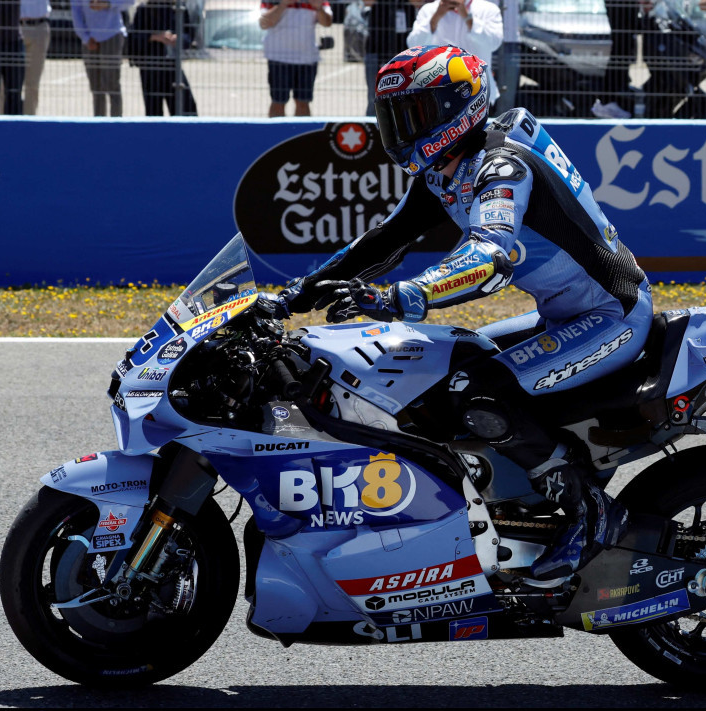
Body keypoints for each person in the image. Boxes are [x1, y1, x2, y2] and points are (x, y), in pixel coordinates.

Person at [270, 45, 652, 580]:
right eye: (393, 115)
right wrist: (290, 298)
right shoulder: (448, 168)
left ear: (458, 108)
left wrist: (403, 296)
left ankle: (592, 517)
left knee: (480, 390)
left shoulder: (501, 166)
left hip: (612, 316)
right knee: (451, 365)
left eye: (415, 112)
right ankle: (505, 507)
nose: (401, 128)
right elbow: (385, 240)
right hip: (562, 316)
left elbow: (489, 255)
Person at [406, 0, 503, 105]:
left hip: (479, 92)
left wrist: (468, 18)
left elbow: (494, 43)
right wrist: (435, 18)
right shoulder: (428, 10)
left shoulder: (488, 9)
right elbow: (413, 45)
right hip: (437, 93)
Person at [260, 0, 332, 117]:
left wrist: (319, 8)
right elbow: (264, 23)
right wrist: (283, 5)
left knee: (303, 102)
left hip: (307, 59)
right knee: (278, 102)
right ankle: (276, 129)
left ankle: (302, 129)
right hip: (279, 58)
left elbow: (327, 23)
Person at [128, 0, 199, 116]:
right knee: (153, 111)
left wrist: (178, 38)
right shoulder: (144, 9)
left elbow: (189, 36)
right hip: (150, 67)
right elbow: (133, 38)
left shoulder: (178, 8)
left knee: (186, 107)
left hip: (172, 65)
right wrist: (155, 37)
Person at [73, 0, 133, 116]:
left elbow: (129, 2)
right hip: (89, 40)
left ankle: (116, 122)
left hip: (112, 35)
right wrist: (85, 37)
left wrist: (107, 4)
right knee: (96, 88)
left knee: (112, 85)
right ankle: (99, 122)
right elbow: (76, 12)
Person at [592, 0, 647, 118]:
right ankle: (607, 101)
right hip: (621, 6)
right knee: (621, 48)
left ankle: (612, 99)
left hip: (625, 7)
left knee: (624, 49)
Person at [362, 0, 418, 116]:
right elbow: (367, 2)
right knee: (375, 95)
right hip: (377, 49)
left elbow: (418, 2)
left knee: (405, 96)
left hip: (404, 51)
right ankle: (374, 124)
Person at [19, 0, 51, 116]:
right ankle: (4, 122)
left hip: (39, 26)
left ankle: (29, 121)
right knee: (6, 84)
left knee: (32, 84)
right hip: (14, 27)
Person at [492, 0, 521, 114]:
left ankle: (505, 120)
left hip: (510, 41)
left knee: (508, 89)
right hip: (487, 39)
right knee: (480, 84)